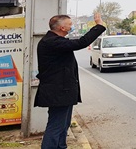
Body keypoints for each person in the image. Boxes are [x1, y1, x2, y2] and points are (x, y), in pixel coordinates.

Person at [35, 13, 106, 149]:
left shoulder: (55, 40)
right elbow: (81, 42)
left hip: (62, 91)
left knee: (63, 125)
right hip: (58, 92)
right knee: (56, 126)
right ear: (62, 27)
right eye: (70, 24)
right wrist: (99, 26)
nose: (71, 26)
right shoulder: (52, 42)